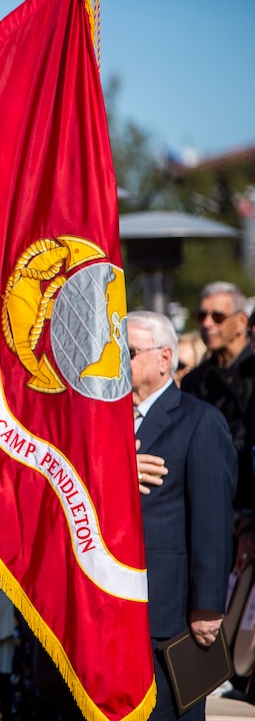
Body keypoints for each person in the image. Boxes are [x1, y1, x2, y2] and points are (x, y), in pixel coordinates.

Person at [130, 310, 236, 721]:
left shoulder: (199, 421)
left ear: (164, 358)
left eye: (130, 351)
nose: (118, 359)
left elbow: (212, 521)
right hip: (117, 608)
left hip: (169, 615)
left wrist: (207, 606)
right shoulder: (104, 424)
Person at [179, 282, 254, 513]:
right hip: (208, 502)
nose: (207, 324)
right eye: (201, 316)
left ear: (242, 320)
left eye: (218, 316)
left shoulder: (252, 374)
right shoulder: (195, 381)